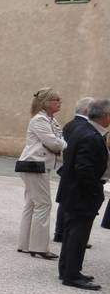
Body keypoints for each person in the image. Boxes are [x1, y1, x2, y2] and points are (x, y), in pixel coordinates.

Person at [56, 98, 110, 290]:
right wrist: (97, 191)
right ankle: (71, 275)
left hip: (73, 192)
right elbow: (84, 169)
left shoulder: (83, 129)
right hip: (81, 194)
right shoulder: (91, 135)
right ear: (106, 116)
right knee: (78, 234)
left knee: (72, 234)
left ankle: (68, 270)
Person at [15, 88, 65, 259]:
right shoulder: (40, 120)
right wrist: (64, 144)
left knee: (31, 204)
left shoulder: (49, 120)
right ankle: (39, 247)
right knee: (43, 204)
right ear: (46, 102)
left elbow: (57, 140)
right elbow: (54, 143)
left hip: (37, 165)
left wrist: (60, 142)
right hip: (36, 165)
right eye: (56, 100)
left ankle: (25, 244)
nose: (59, 103)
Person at [54, 97, 93, 242]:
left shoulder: (71, 124)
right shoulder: (83, 126)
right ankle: (65, 234)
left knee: (65, 201)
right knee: (71, 203)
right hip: (76, 169)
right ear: (87, 110)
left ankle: (60, 232)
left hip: (68, 167)